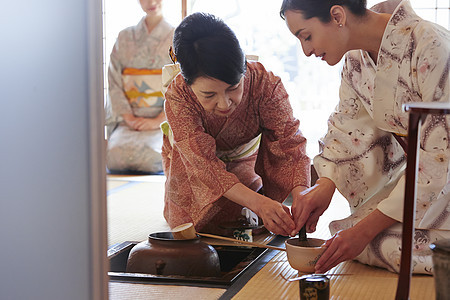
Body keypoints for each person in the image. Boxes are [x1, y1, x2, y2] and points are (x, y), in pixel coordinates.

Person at [280, 0, 450, 274]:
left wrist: (364, 231)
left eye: (307, 36)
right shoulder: (356, 60)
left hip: (444, 175)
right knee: (347, 235)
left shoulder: (430, 44)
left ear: (337, 15)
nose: (307, 51)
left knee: (374, 241)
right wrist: (325, 185)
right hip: (422, 180)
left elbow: (440, 157)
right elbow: (347, 127)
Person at [161, 12, 311, 236]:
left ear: (243, 70)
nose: (224, 103)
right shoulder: (179, 95)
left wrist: (301, 196)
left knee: (251, 222)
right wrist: (259, 203)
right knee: (190, 229)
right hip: (192, 165)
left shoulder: (265, 84)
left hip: (244, 161)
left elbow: (289, 144)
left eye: (233, 88)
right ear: (188, 82)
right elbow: (203, 165)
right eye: (209, 94)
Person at [106, 0, 174, 174]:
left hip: (163, 121)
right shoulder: (124, 37)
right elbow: (114, 81)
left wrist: (158, 120)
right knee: (114, 157)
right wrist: (129, 118)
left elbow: (182, 83)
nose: (151, 2)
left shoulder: (176, 37)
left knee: (151, 156)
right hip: (129, 121)